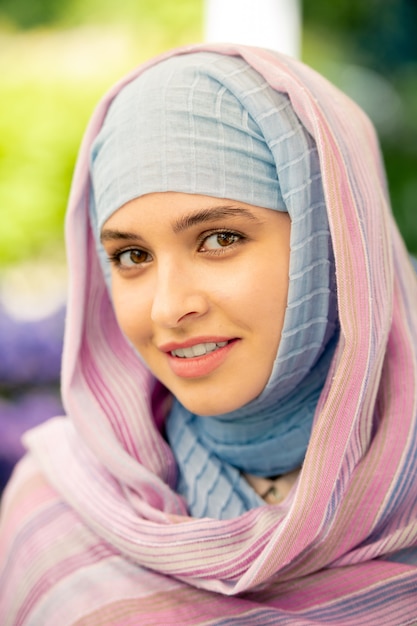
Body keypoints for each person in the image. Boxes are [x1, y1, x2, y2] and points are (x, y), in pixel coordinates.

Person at [1, 42, 417, 625]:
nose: (170, 308)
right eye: (131, 255)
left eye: (219, 239)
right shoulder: (57, 515)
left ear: (334, 241)